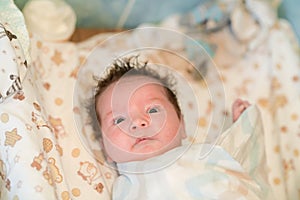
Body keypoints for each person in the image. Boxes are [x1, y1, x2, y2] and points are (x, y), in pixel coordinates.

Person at [91, 55, 267, 200]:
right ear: (105, 147)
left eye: (152, 110)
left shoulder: (206, 155)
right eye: (119, 120)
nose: (138, 122)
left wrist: (243, 126)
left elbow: (244, 160)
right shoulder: (122, 190)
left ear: (182, 125)